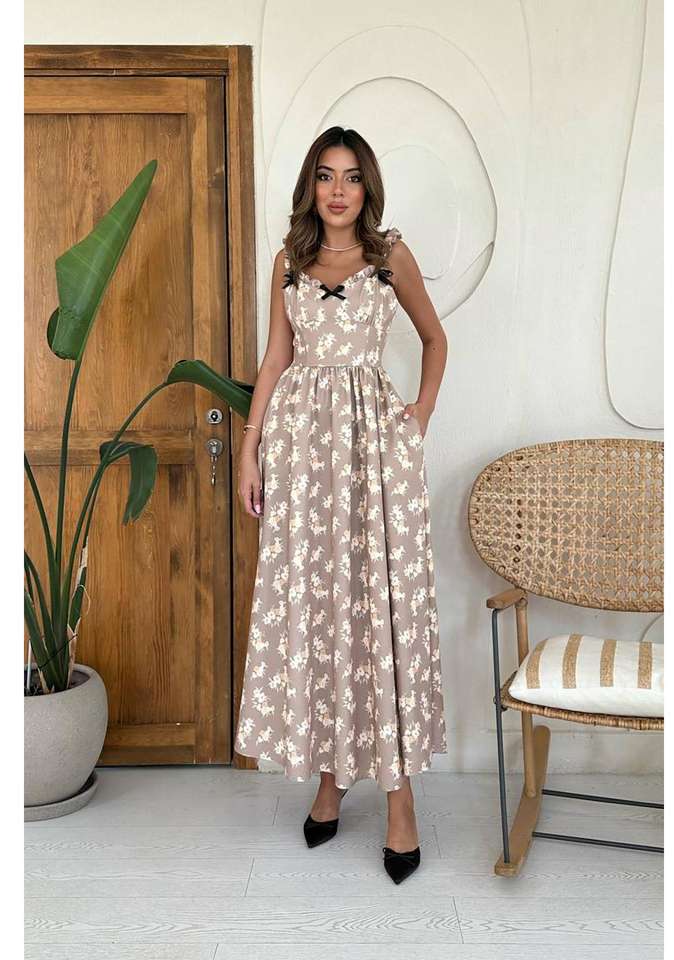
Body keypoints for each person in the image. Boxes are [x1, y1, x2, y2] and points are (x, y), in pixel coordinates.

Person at [234, 126, 448, 883]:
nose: (337, 190)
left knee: (377, 612)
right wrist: (252, 447)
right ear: (310, 186)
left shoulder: (390, 258)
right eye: (325, 176)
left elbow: (435, 339)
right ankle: (329, 779)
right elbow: (276, 358)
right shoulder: (288, 264)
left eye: (351, 177)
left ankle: (399, 798)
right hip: (302, 458)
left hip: (374, 455)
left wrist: (418, 416)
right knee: (322, 613)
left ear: (367, 187)